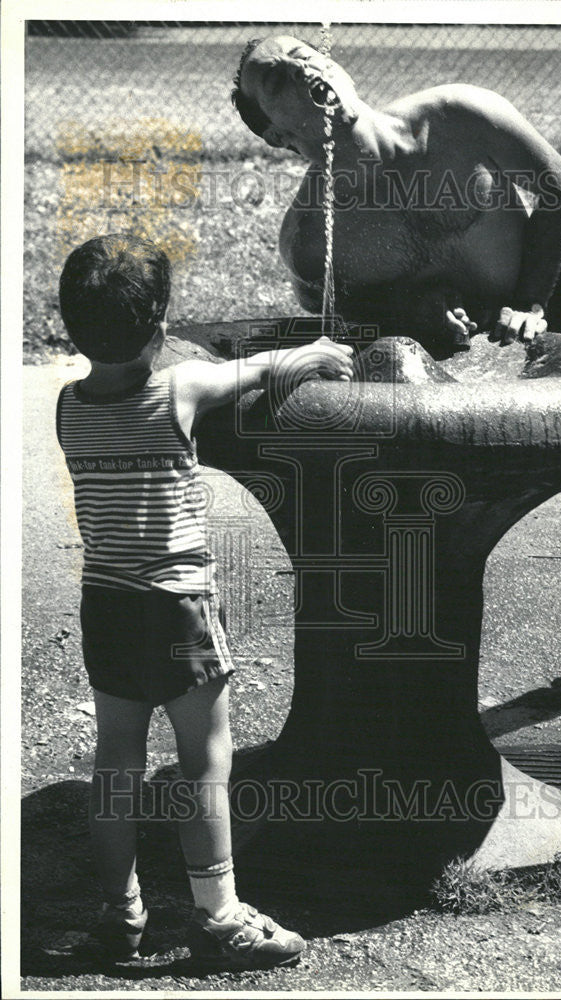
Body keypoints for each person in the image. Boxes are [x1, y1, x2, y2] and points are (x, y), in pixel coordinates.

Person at [56, 233, 354, 968]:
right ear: (160, 329)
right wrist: (312, 354)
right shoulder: (178, 388)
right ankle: (218, 916)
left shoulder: (68, 406)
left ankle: (119, 913)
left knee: (116, 762)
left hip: (107, 606)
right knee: (202, 762)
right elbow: (247, 373)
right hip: (179, 609)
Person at [232, 35, 561, 356]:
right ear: (276, 136)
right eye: (277, 81)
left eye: (303, 57)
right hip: (466, 344)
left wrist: (531, 301)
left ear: (339, 70)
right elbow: (343, 315)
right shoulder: (310, 240)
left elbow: (555, 184)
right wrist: (408, 310)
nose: (300, 70)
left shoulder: (458, 114)